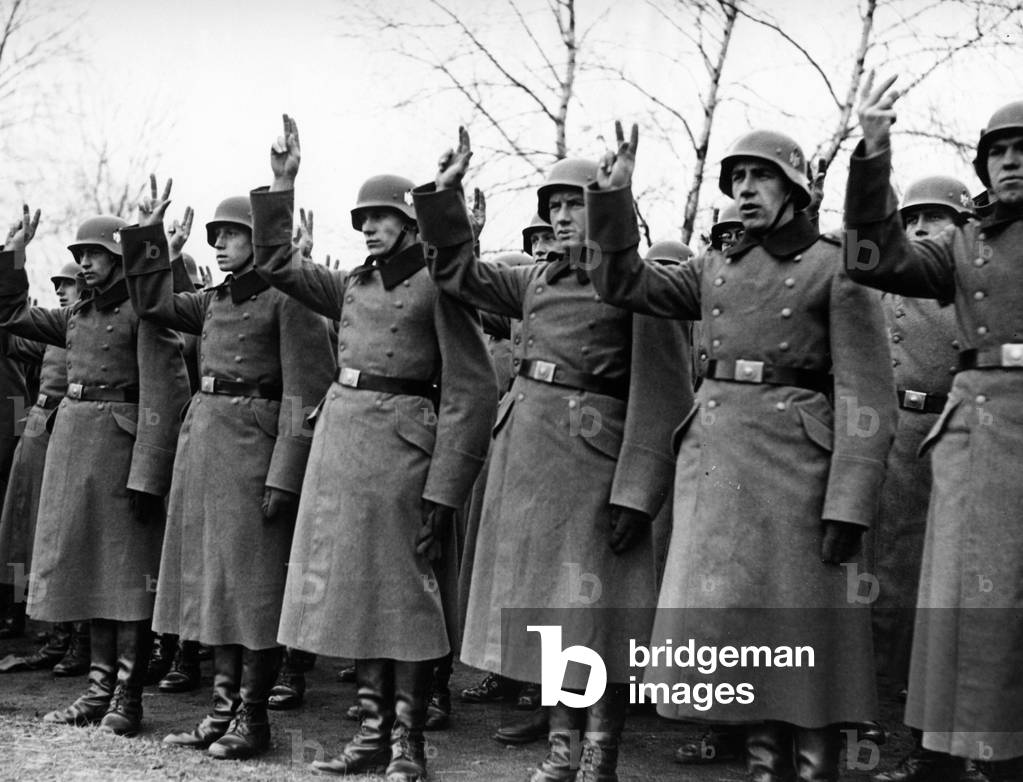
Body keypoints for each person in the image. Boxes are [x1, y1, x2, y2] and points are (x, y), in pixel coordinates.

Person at [587, 121, 895, 782]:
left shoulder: (831, 263)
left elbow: (868, 392)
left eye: (762, 177)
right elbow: (625, 285)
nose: (747, 190)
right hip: (720, 465)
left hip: (798, 471)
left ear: (793, 188)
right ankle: (761, 770)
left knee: (803, 636)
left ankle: (813, 773)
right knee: (746, 636)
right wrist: (613, 201)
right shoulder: (714, 265)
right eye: (738, 180)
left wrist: (850, 499)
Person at [413, 128, 691, 782]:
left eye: (575, 204)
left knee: (595, 622)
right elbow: (454, 273)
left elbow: (663, 395)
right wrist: (445, 195)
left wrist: (636, 492)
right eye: (554, 207)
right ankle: (561, 749)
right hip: (531, 464)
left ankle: (599, 754)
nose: (561, 218)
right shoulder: (534, 279)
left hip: (597, 467)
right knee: (552, 621)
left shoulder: (639, 287)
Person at [251, 116, 495, 781]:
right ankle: (367, 734)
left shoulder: (441, 285)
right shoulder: (351, 284)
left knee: (405, 601)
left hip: (405, 456)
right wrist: (283, 180)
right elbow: (276, 264)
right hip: (343, 451)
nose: (367, 228)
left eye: (382, 218)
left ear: (411, 225)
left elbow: (472, 392)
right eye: (361, 219)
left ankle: (407, 745)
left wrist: (444, 490)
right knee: (356, 596)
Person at [848, 76, 1023, 781]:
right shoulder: (964, 242)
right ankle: (938, 754)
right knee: (948, 593)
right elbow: (874, 257)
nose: (1010, 162)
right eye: (999, 152)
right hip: (969, 428)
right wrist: (872, 153)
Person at [122, 187, 334, 759]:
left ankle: (253, 716)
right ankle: (220, 710)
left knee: (254, 591)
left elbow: (307, 390)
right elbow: (151, 303)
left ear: (257, 240)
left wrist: (285, 474)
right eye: (215, 236)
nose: (219, 244)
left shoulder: (288, 299)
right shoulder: (213, 299)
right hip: (206, 447)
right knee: (214, 585)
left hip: (256, 453)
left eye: (232, 234)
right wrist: (148, 236)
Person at [0, 200, 189, 736]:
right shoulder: (77, 315)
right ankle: (97, 689)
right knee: (87, 572)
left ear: (119, 259)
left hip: (122, 456)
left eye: (94, 255)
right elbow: (12, 316)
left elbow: (169, 390)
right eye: (79, 255)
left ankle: (127, 699)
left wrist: (149, 473)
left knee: (125, 580)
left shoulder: (145, 313)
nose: (83, 264)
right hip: (75, 451)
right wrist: (14, 253)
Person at [865, 175, 971, 710]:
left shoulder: (975, 287)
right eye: (911, 220)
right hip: (890, 432)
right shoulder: (887, 282)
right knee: (882, 569)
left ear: (964, 226)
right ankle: (878, 697)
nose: (921, 228)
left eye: (936, 217)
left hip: (956, 435)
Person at [0, 263, 86, 676]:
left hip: (70, 434)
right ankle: (39, 623)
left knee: (64, 535)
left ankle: (72, 635)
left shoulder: (92, 328)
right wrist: (12, 262)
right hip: (38, 431)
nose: (61, 291)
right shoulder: (54, 331)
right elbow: (14, 334)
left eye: (68, 284)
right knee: (26, 531)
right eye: (57, 285)